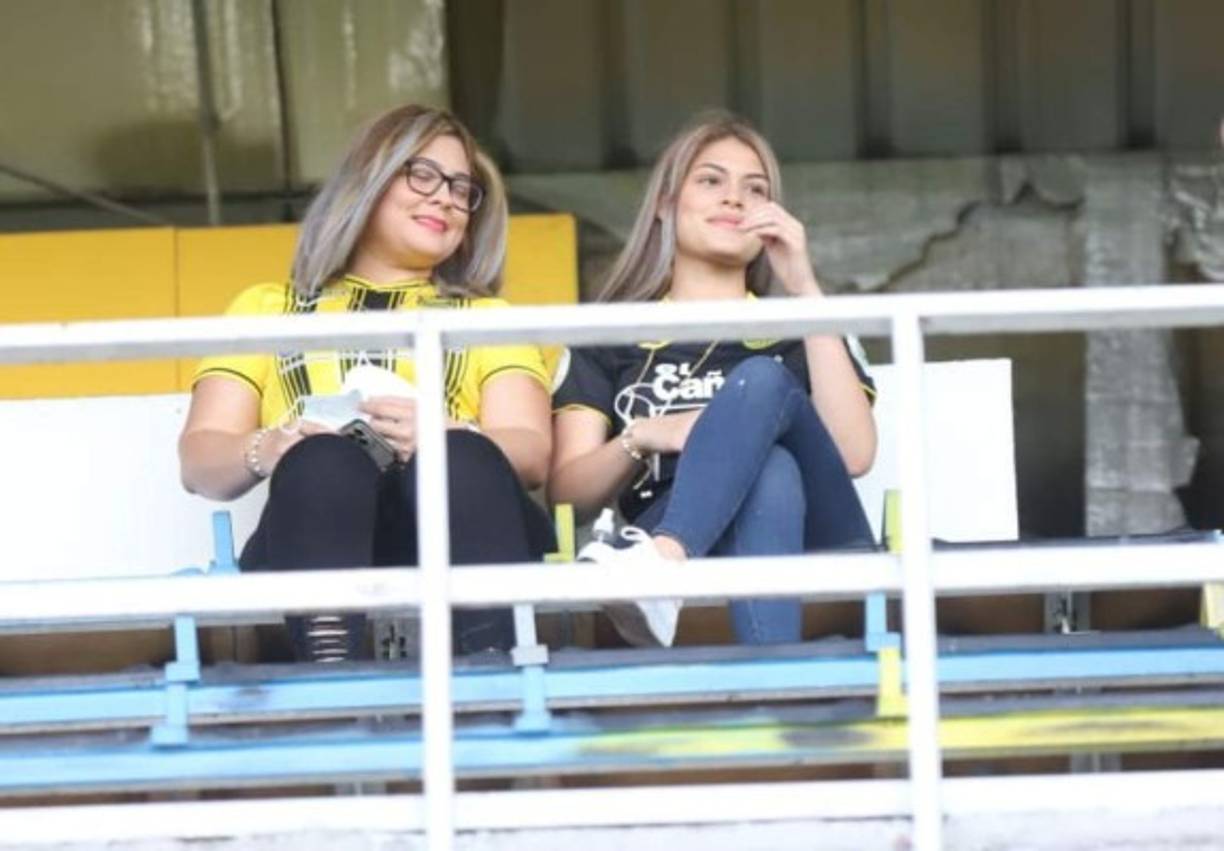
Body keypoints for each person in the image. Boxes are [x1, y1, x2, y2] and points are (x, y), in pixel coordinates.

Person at [179, 104, 553, 662]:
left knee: (459, 456)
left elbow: (530, 451)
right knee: (324, 461)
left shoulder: (486, 316)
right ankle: (336, 682)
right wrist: (268, 447)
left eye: (461, 188)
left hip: (461, 534)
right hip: (318, 538)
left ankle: (493, 673)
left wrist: (446, 430)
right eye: (422, 174)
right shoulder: (267, 308)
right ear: (369, 178)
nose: (445, 198)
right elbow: (199, 460)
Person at [550, 112, 877, 648]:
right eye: (710, 180)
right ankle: (774, 685)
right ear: (664, 203)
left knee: (762, 379)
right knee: (770, 468)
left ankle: (664, 564)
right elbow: (568, 496)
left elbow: (855, 455)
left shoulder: (804, 327)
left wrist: (805, 291)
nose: (735, 199)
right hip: (665, 513)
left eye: (756, 189)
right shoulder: (608, 333)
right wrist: (646, 434)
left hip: (817, 545)